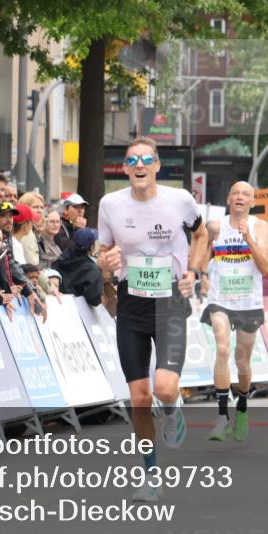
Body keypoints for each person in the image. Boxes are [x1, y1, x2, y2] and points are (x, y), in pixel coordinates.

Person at [96, 137, 208, 501]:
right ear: (125, 168)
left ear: (157, 166)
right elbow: (102, 251)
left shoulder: (179, 200)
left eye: (146, 159)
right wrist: (106, 264)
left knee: (163, 388)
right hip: (131, 304)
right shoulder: (110, 204)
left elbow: (201, 233)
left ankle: (173, 410)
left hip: (170, 301)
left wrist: (193, 270)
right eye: (132, 160)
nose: (139, 165)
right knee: (139, 398)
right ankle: (150, 474)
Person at [201, 181, 268, 443]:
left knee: (242, 362)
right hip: (220, 298)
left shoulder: (259, 226)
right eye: (236, 193)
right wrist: (202, 274)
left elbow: (265, 269)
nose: (240, 197)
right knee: (221, 349)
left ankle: (241, 404)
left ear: (252, 202)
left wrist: (248, 239)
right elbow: (202, 250)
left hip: (248, 301)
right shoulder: (215, 226)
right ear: (229, 198)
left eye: (246, 194)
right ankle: (221, 417)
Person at [53, 227, 104, 306]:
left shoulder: (62, 258)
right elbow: (94, 299)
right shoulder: (92, 269)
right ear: (91, 247)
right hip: (75, 311)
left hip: (56, 304)